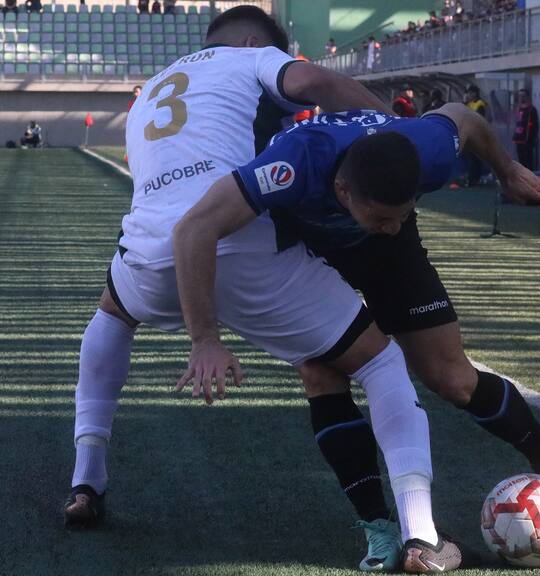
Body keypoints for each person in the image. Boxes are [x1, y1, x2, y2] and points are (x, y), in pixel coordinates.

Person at [62, 6, 466, 572]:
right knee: (380, 364)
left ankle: (86, 479)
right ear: (255, 41)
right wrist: (386, 131)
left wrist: (201, 333)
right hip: (235, 245)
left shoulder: (154, 84)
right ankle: (421, 537)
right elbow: (313, 83)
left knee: (110, 314)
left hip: (149, 254)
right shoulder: (253, 56)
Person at [175, 103, 540, 569]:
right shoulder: (294, 163)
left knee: (451, 378)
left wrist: (506, 168)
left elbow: (465, 116)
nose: (393, 223)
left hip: (386, 256)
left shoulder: (427, 151)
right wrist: (204, 339)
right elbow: (196, 226)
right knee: (320, 371)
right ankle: (381, 528)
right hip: (307, 253)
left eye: (404, 212)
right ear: (341, 190)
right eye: (382, 216)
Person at [463, 84, 487, 185]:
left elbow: (478, 118)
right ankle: (472, 178)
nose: (468, 95)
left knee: (475, 158)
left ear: (475, 93)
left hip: (477, 134)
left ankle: (474, 179)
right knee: (471, 158)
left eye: (470, 93)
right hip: (470, 134)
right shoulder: (469, 104)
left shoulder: (479, 103)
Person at [513, 88, 538, 170]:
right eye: (520, 96)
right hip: (518, 138)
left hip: (527, 139)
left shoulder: (532, 109)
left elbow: (536, 125)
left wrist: (534, 137)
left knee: (528, 160)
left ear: (527, 97)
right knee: (521, 160)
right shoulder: (518, 108)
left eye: (523, 96)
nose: (521, 98)